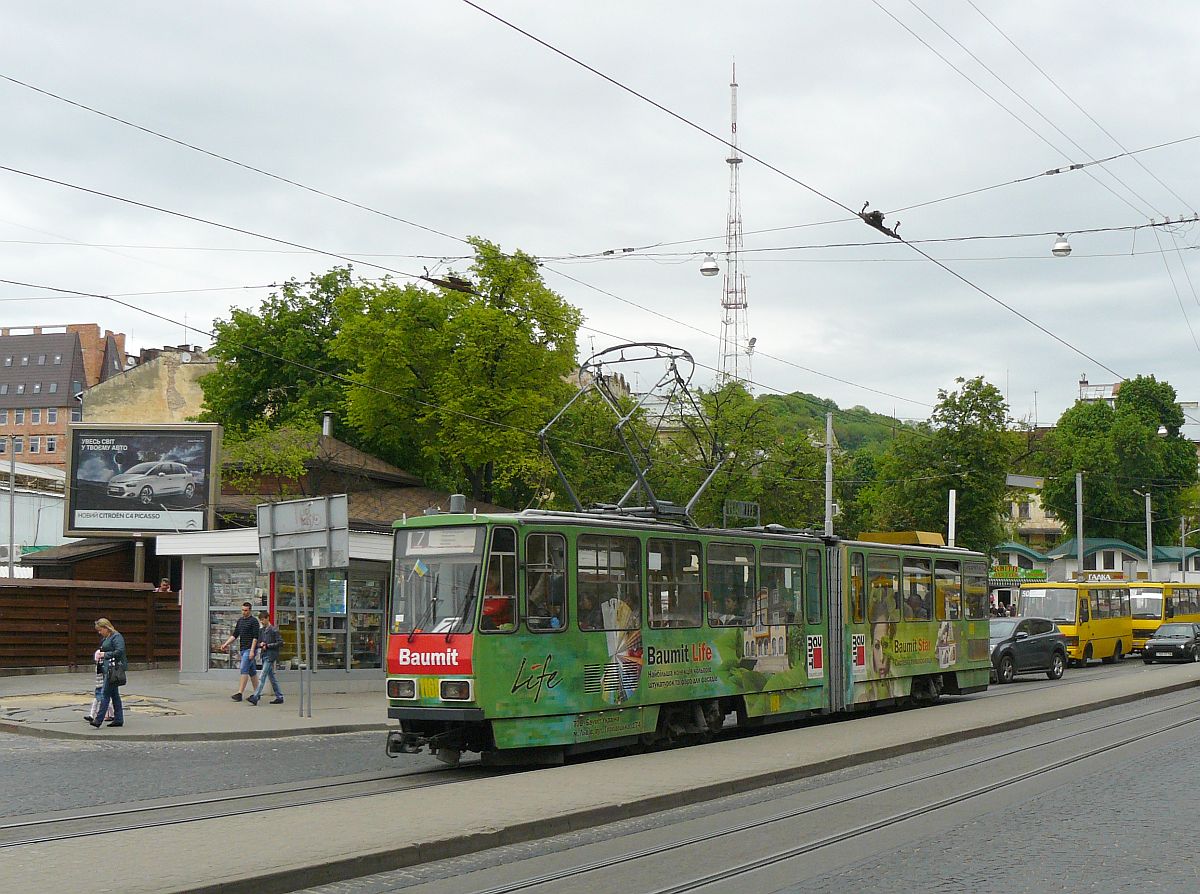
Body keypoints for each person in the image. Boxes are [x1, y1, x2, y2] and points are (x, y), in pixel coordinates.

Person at [218, 602, 260, 701]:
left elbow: (255, 637)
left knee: (244, 669)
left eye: (246, 610)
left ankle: (240, 693)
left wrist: (252, 651)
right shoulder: (240, 621)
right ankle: (257, 693)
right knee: (252, 672)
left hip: (250, 649)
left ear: (250, 610)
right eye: (242, 610)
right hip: (243, 649)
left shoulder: (254, 621)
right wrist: (226, 644)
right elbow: (235, 635)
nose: (244, 612)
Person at [90, 618, 126, 728]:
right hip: (109, 668)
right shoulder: (108, 637)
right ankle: (119, 719)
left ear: (106, 627)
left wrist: (105, 655)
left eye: (100, 630)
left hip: (113, 668)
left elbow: (120, 651)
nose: (99, 632)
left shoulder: (116, 636)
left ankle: (98, 720)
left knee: (105, 694)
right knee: (115, 695)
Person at [247, 611, 284, 705]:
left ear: (267, 618)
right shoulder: (261, 630)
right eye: (261, 620)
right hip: (264, 654)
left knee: (262, 676)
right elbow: (258, 642)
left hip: (270, 655)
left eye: (263, 620)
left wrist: (268, 645)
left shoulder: (274, 630)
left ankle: (255, 697)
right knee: (271, 676)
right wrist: (261, 644)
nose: (262, 622)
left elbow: (280, 642)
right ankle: (279, 696)